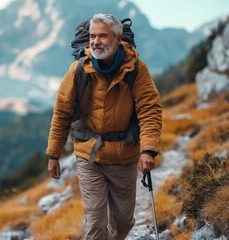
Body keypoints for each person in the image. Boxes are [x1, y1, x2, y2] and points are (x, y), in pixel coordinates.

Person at [45, 13, 162, 239]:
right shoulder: (78, 70)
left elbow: (150, 110)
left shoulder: (136, 69)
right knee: (96, 222)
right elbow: (62, 113)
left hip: (124, 156)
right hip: (90, 156)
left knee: (123, 222)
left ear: (118, 39)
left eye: (102, 36)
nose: (95, 41)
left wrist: (148, 149)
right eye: (92, 36)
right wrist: (53, 154)